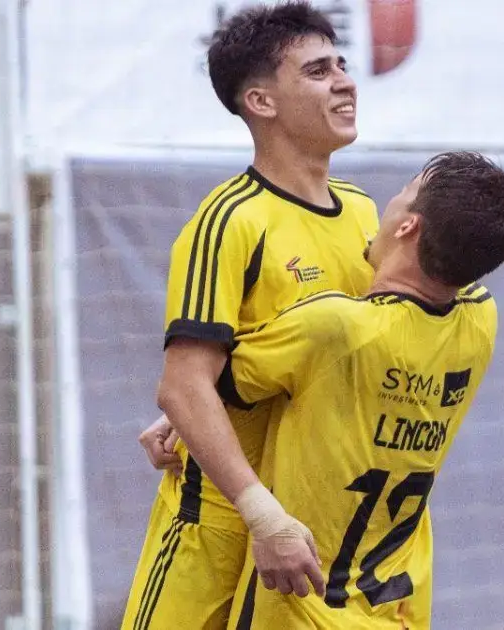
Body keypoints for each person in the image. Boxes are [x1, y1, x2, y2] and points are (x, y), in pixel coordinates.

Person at [121, 2, 378, 628]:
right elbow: (183, 384)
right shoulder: (229, 220)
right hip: (219, 522)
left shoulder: (367, 215)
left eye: (341, 64)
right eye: (318, 72)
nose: (345, 81)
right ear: (261, 102)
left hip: (322, 523)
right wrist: (260, 513)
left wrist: (215, 396)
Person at [218, 151, 504, 628]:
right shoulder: (481, 319)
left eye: (403, 194)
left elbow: (200, 386)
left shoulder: (334, 327)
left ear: (409, 227)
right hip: (398, 613)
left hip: (301, 610)